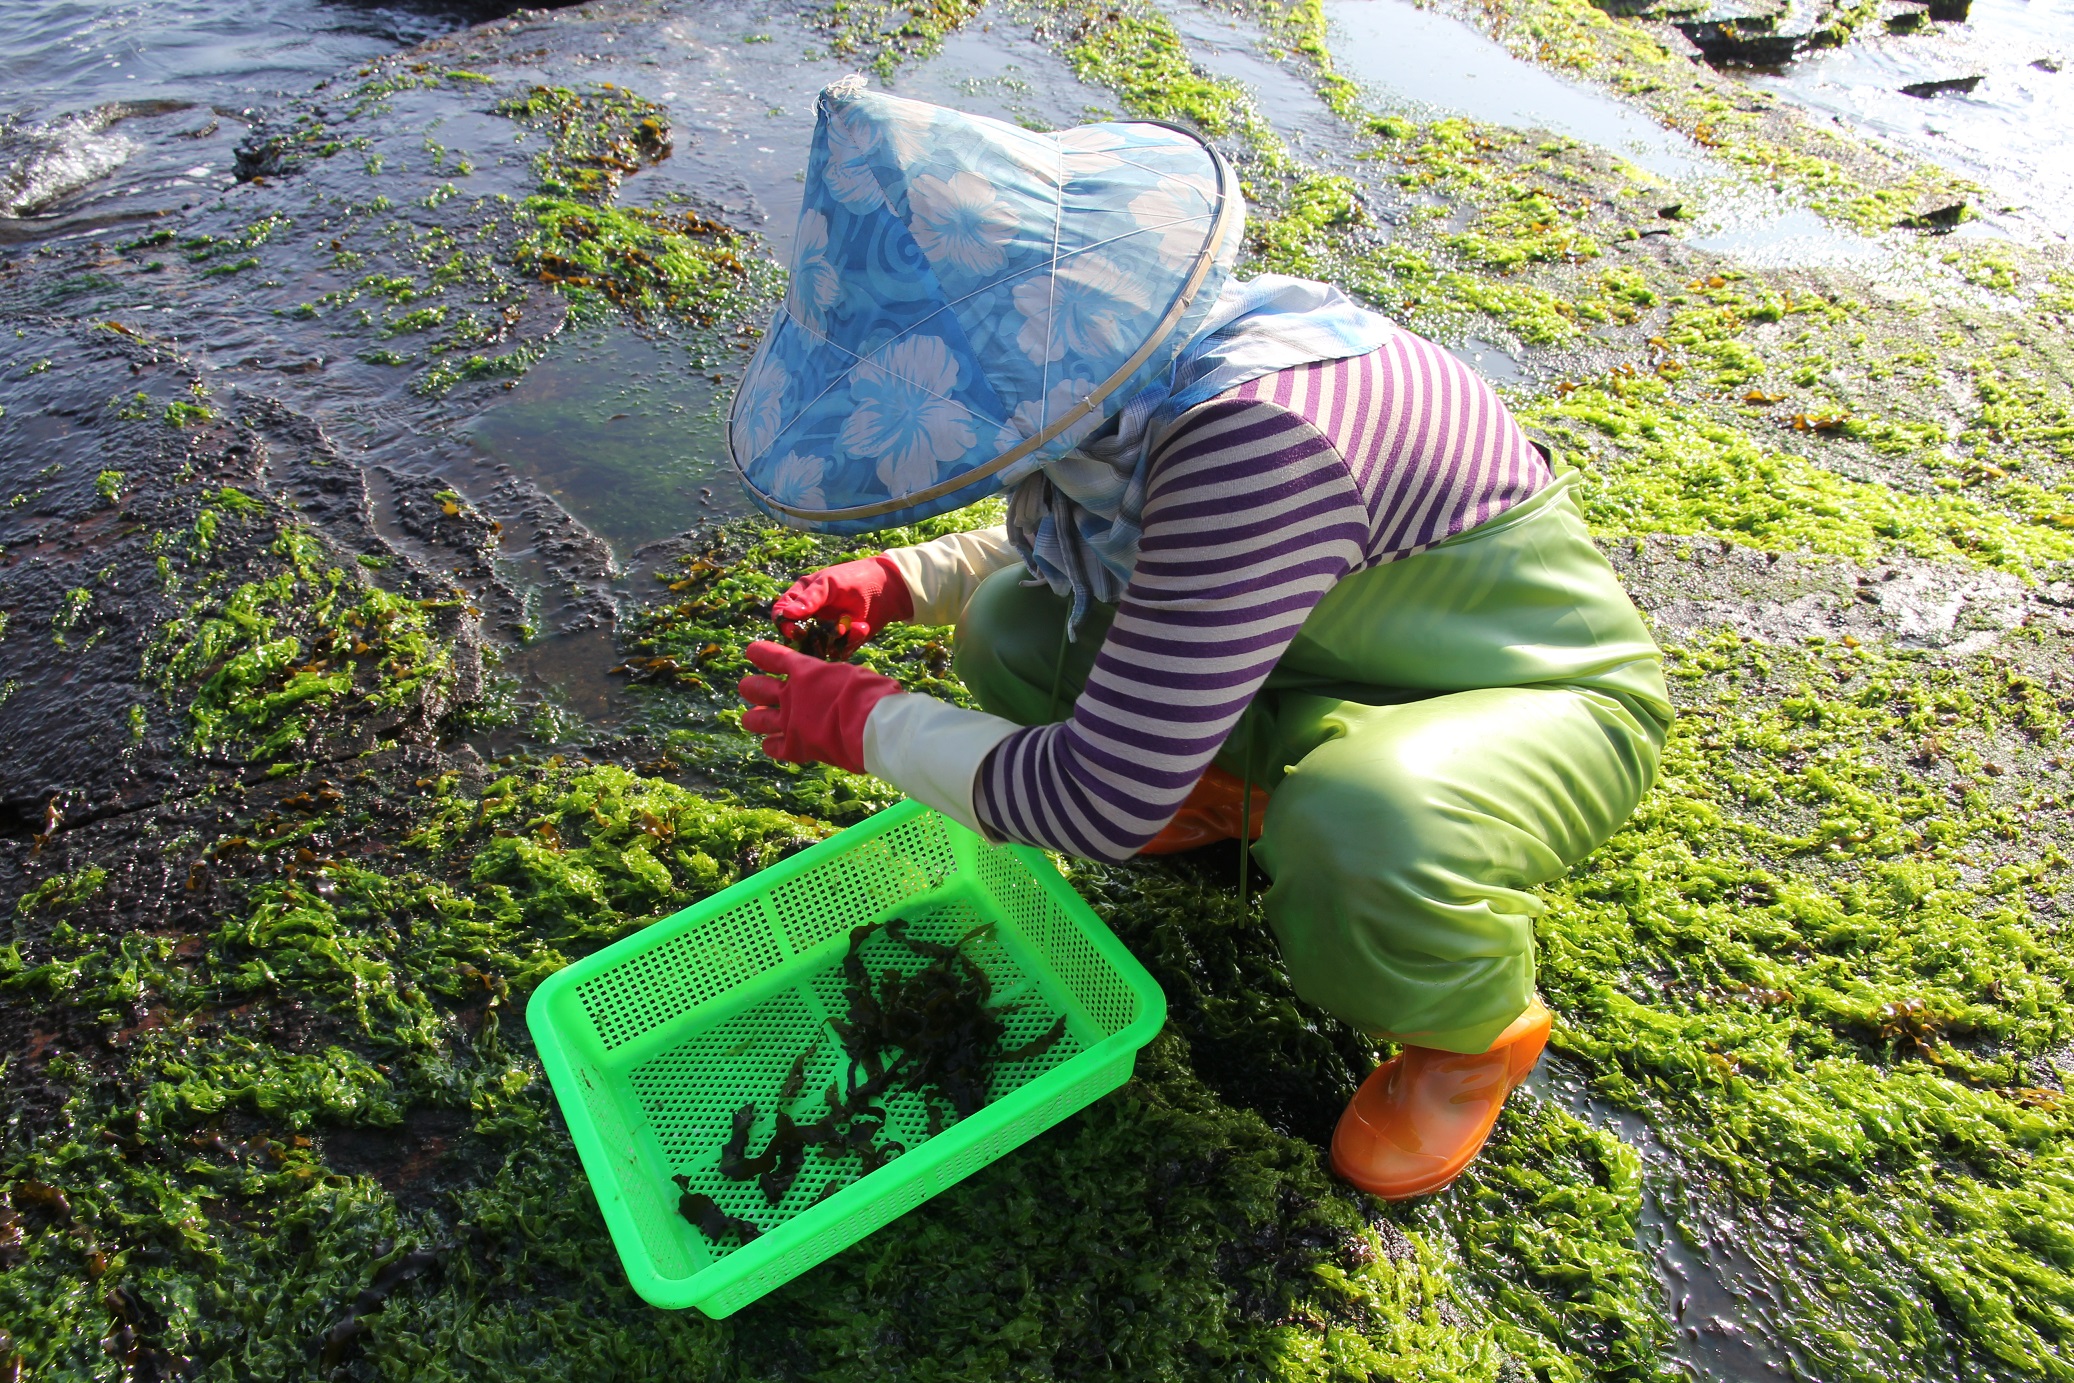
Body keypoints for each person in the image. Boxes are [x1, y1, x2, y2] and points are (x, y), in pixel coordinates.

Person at [729, 79, 1670, 1199]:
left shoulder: (1258, 436)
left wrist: (860, 722)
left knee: (1367, 824)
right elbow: (1131, 538)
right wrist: (901, 582)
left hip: (1529, 697)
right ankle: (1227, 792)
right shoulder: (1148, 378)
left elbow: (1092, 800)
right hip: (1309, 660)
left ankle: (1471, 1035)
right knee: (1010, 628)